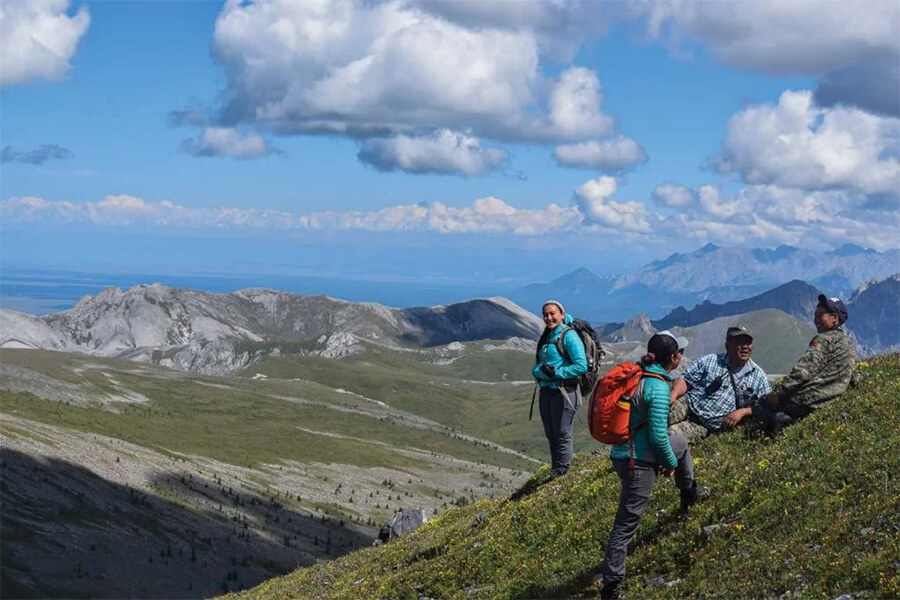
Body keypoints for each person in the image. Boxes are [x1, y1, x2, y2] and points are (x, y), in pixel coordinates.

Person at [597, 332, 710, 600]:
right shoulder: (658, 388)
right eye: (679, 353)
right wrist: (668, 464)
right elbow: (658, 437)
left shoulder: (638, 375)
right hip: (639, 461)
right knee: (625, 524)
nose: (681, 356)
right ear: (673, 358)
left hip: (623, 454)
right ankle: (611, 588)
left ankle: (689, 493)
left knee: (680, 442)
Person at [752, 294, 856, 437]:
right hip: (832, 398)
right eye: (815, 315)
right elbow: (853, 374)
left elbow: (802, 373)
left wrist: (776, 395)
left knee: (758, 405)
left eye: (821, 315)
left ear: (835, 319)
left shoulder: (823, 340)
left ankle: (780, 422)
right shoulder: (847, 343)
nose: (816, 319)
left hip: (808, 400)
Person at [669, 325, 772, 443]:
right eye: (739, 342)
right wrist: (674, 394)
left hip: (704, 426)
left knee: (670, 436)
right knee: (657, 417)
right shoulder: (710, 360)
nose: (744, 347)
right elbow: (685, 380)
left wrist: (743, 412)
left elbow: (767, 406)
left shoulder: (759, 376)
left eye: (748, 342)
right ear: (728, 345)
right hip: (687, 405)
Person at [532, 300, 587, 478]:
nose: (549, 318)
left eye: (552, 313)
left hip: (565, 391)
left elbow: (581, 365)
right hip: (547, 391)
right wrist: (539, 371)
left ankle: (562, 472)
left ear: (561, 314)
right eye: (545, 314)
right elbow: (539, 363)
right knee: (551, 433)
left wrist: (556, 372)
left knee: (562, 433)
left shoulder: (569, 336)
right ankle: (556, 468)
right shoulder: (547, 335)